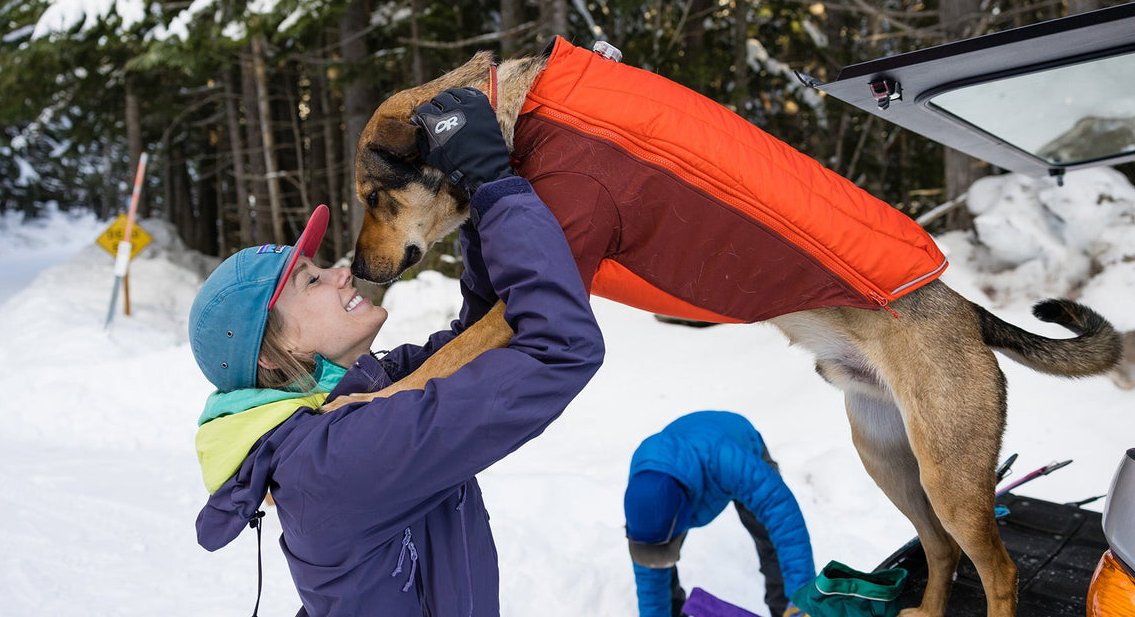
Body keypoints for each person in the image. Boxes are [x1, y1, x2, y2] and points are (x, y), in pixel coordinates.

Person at [189, 87, 605, 616]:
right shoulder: (333, 461)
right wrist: (495, 188)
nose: (342, 273)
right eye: (311, 280)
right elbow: (557, 350)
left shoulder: (364, 396)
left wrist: (473, 198)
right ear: (276, 352)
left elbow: (483, 334)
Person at [624, 411, 816, 617]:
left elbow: (784, 520)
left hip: (738, 446)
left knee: (773, 543)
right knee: (655, 558)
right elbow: (649, 571)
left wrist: (800, 596)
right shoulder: (644, 495)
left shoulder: (727, 460)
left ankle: (788, 609)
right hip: (686, 469)